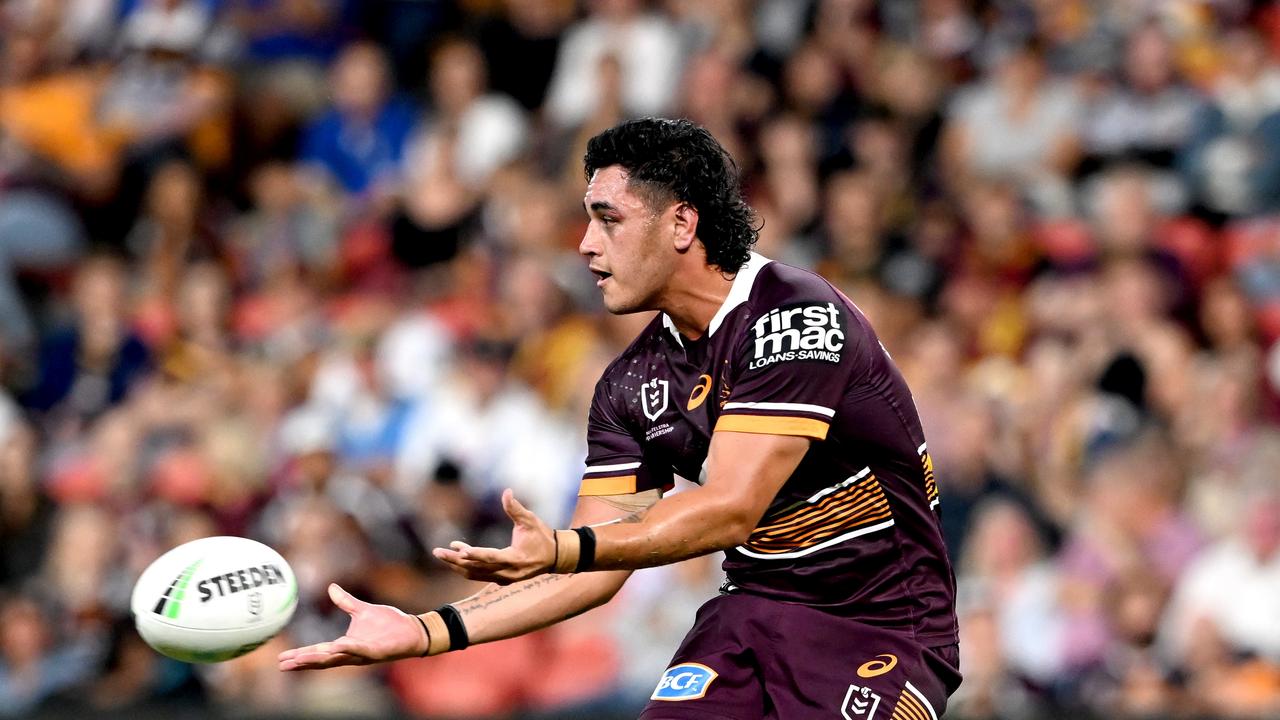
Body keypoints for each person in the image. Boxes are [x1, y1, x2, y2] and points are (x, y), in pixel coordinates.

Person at [278, 118, 962, 718]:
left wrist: (568, 546)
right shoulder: (630, 384)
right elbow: (594, 566)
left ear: (682, 224)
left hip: (878, 628)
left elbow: (728, 510)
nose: (584, 244)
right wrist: (426, 630)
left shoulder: (794, 317)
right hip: (750, 615)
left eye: (609, 218)